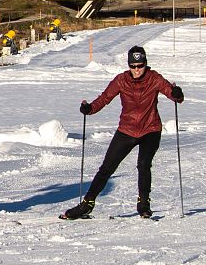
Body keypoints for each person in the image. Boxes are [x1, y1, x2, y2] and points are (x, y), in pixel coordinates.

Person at [63, 45, 184, 220]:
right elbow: (104, 99)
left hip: (150, 129)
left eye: (140, 66)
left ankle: (144, 204)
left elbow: (173, 95)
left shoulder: (154, 78)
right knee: (106, 168)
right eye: (133, 66)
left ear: (145, 64)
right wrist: (89, 108)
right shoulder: (121, 80)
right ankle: (87, 204)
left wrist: (177, 93)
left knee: (143, 164)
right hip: (126, 129)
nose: (136, 70)